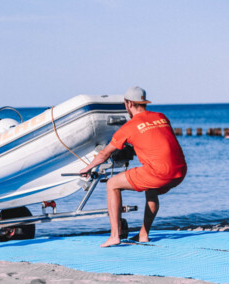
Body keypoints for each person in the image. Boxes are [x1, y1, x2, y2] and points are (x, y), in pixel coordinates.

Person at [79, 86, 187, 247]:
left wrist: (87, 168)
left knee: (112, 184)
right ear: (143, 102)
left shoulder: (128, 127)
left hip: (160, 173)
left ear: (128, 104)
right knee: (151, 189)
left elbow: (104, 154)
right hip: (180, 170)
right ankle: (143, 234)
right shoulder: (161, 117)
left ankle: (114, 236)